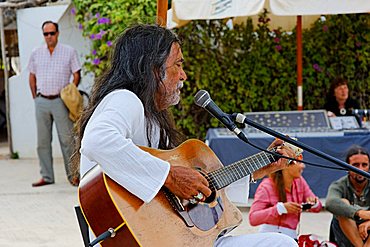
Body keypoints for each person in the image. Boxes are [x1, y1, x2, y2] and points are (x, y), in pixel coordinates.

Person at [71, 23, 298, 246]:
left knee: (278, 242)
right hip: (136, 238)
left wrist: (256, 170)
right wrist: (170, 177)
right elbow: (97, 141)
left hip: (168, 238)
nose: (183, 75)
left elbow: (187, 193)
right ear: (152, 68)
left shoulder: (155, 121)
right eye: (178, 65)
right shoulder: (125, 99)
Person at [28, 20, 81, 187]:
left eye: (52, 33)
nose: (49, 36)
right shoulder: (36, 53)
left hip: (60, 101)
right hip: (42, 101)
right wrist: (35, 97)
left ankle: (74, 176)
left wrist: (70, 91)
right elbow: (32, 76)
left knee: (67, 141)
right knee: (42, 142)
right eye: (46, 34)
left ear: (57, 33)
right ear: (43, 35)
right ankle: (47, 176)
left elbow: (76, 73)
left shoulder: (69, 51)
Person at [249, 154, 322, 240]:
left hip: (292, 237)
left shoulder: (300, 181)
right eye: (298, 162)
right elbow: (253, 218)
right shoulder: (266, 186)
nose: (303, 166)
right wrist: (280, 209)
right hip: (270, 238)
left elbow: (318, 207)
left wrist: (314, 203)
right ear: (286, 165)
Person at [326, 145, 370, 247]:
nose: (361, 169)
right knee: (342, 204)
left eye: (364, 165)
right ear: (347, 167)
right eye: (355, 165)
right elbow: (330, 203)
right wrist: (359, 213)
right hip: (345, 238)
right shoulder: (339, 185)